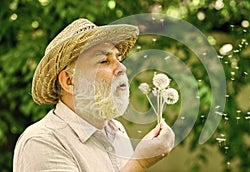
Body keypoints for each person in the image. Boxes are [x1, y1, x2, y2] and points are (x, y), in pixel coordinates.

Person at [13, 18, 175, 172]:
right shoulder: (42, 142)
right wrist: (140, 162)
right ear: (69, 81)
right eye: (104, 61)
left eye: (118, 59)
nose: (122, 68)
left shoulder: (117, 130)